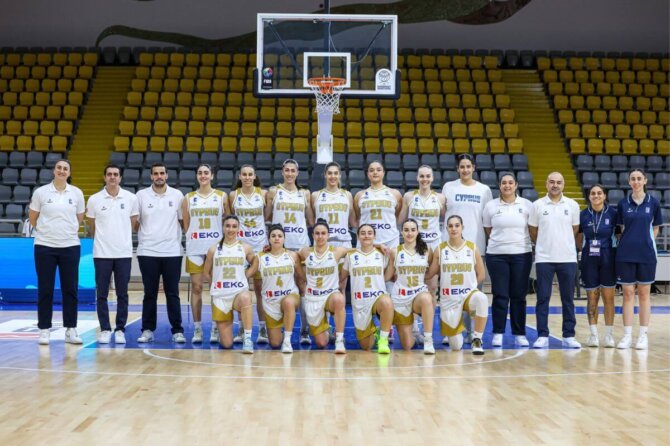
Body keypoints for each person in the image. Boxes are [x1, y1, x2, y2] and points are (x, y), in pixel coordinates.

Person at [29, 159, 86, 345]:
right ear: (54, 171)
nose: (62, 171)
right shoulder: (41, 192)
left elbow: (79, 218)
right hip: (44, 246)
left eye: (65, 169)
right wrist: (47, 232)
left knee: (70, 289)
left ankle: (70, 329)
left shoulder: (76, 193)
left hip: (70, 246)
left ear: (69, 173)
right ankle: (44, 329)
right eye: (59, 168)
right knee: (45, 289)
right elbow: (33, 217)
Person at [441, 154, 492, 344]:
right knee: (450, 291)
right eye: (462, 166)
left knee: (474, 291)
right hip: (451, 246)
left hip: (475, 245)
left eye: (468, 166)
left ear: (473, 168)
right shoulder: (449, 187)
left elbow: (486, 219)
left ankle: (472, 333)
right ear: (457, 169)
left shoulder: (484, 190)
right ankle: (451, 330)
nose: (465, 170)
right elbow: (444, 214)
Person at [86, 164, 139, 345]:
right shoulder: (94, 199)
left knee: (122, 294)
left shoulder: (131, 198)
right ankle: (105, 329)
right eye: (109, 174)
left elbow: (133, 224)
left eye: (116, 174)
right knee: (102, 293)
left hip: (123, 253)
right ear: (104, 177)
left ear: (120, 178)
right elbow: (92, 227)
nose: (112, 177)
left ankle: (120, 329)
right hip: (101, 253)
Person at [528, 172, 581, 349]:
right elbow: (533, 230)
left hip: (568, 258)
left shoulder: (572, 205)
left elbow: (575, 229)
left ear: (563, 185)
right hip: (544, 258)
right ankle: (542, 335)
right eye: (552, 182)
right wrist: (545, 244)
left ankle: (569, 335)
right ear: (546, 184)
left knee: (568, 299)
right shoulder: (537, 205)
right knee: (543, 298)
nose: (555, 185)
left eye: (558, 182)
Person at [135, 163, 185, 343]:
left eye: (162, 173)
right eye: (155, 173)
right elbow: (135, 223)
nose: (159, 176)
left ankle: (177, 330)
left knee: (173, 293)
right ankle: (147, 330)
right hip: (147, 251)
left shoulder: (177, 195)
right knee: (150, 293)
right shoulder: (141, 195)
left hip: (172, 251)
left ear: (167, 175)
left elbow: (183, 222)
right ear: (151, 176)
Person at [265, 159, 314, 345]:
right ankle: (279, 327)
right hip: (280, 246)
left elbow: (310, 220)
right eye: (287, 170)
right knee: (280, 286)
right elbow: (267, 217)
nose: (290, 173)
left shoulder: (305, 193)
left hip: (300, 245)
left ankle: (304, 330)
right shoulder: (274, 191)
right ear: (282, 172)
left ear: (297, 173)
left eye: (293, 170)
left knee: (302, 285)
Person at [482, 172, 533, 348]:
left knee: (519, 295)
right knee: (500, 295)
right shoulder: (490, 206)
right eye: (504, 183)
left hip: (522, 254)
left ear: (516, 185)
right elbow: (488, 229)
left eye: (511, 183)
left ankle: (519, 334)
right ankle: (498, 333)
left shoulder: (527, 205)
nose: (507, 186)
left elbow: (531, 228)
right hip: (497, 255)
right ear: (499, 185)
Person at [615, 169, 663, 350]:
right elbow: (619, 229)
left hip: (646, 255)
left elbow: (656, 227)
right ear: (629, 182)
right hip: (625, 255)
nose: (636, 182)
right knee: (627, 294)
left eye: (639, 179)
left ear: (645, 181)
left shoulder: (654, 202)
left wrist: (646, 242)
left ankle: (643, 335)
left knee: (644, 294)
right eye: (633, 179)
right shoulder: (622, 204)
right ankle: (627, 335)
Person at [181, 163, 228, 344]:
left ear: (212, 176)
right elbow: (186, 224)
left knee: (215, 289)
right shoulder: (188, 198)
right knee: (197, 288)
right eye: (200, 173)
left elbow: (227, 221)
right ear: (196, 176)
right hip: (195, 248)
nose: (203, 176)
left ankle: (215, 327)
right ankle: (198, 328)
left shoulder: (221, 196)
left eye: (206, 173)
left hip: (215, 248)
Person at [427, 215, 488, 355]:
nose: (453, 229)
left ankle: (477, 339)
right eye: (450, 226)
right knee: (455, 346)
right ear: (446, 228)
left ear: (462, 227)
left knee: (481, 299)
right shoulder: (440, 249)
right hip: (449, 299)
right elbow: (430, 274)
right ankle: (458, 329)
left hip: (468, 294)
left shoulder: (472, 248)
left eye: (457, 225)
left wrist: (471, 287)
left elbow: (481, 274)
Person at [398, 164, 446, 342]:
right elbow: (401, 220)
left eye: (428, 176)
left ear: (432, 178)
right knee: (413, 285)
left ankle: (428, 331)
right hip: (415, 244)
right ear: (417, 178)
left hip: (434, 244)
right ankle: (415, 328)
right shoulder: (409, 196)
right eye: (422, 176)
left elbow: (446, 219)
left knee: (432, 288)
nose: (425, 179)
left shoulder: (440, 198)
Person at [203, 215, 258, 354]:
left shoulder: (245, 247)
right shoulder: (213, 249)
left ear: (239, 229)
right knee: (226, 344)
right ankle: (221, 331)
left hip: (238, 294)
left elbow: (255, 262)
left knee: (246, 297)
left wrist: (246, 275)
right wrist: (214, 285)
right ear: (223, 227)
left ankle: (247, 338)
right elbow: (206, 272)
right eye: (228, 226)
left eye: (234, 226)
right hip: (220, 296)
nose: (231, 229)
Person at [230, 165, 270, 344]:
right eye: (244, 174)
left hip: (260, 246)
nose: (247, 177)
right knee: (241, 290)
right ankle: (241, 328)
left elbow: (266, 217)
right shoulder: (233, 195)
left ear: (255, 176)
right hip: (240, 247)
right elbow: (231, 219)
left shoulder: (263, 194)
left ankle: (263, 328)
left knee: (260, 290)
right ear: (240, 176)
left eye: (250, 174)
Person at [341, 224, 395, 354]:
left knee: (387, 302)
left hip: (377, 297)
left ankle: (383, 340)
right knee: (366, 346)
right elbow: (342, 277)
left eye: (370, 233)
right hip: (359, 301)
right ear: (358, 236)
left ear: (374, 236)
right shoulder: (350, 255)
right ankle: (375, 331)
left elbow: (387, 277)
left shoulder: (382, 254)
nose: (366, 236)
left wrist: (390, 261)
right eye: (363, 233)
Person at [298, 219, 349, 354]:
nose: (320, 236)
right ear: (313, 235)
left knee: (339, 299)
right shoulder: (305, 252)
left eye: (323, 233)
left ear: (328, 235)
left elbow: (357, 250)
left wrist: (379, 246)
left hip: (330, 295)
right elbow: (292, 256)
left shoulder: (337, 251)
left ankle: (339, 340)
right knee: (322, 343)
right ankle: (327, 329)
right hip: (313, 298)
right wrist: (302, 277)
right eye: (317, 233)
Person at [577, 184, 618, 348]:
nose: (596, 196)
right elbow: (578, 237)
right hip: (589, 258)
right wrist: (582, 251)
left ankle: (608, 335)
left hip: (608, 257)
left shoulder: (613, 214)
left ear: (604, 195)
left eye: (599, 193)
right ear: (589, 196)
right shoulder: (583, 215)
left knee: (609, 298)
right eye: (593, 193)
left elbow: (619, 235)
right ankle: (593, 335)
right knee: (592, 298)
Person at [388, 219, 436, 354]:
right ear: (401, 232)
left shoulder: (426, 250)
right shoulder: (395, 251)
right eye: (406, 230)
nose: (409, 233)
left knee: (427, 298)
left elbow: (430, 271)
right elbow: (389, 275)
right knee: (407, 345)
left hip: (418, 294)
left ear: (417, 232)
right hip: (400, 297)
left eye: (413, 230)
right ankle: (414, 334)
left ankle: (428, 340)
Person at [257, 224, 303, 353]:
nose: (276, 238)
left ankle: (287, 341)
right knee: (275, 343)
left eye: (279, 236)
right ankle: (281, 334)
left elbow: (301, 276)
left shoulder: (292, 255)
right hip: (271, 301)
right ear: (269, 239)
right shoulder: (260, 257)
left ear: (284, 238)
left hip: (290, 295)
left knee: (288, 302)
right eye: (273, 236)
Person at [354, 160, 403, 250]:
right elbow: (358, 218)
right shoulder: (359, 195)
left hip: (390, 241)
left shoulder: (395, 194)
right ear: (368, 174)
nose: (375, 172)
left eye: (378, 170)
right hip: (366, 241)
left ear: (383, 173)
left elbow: (397, 216)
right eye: (371, 170)